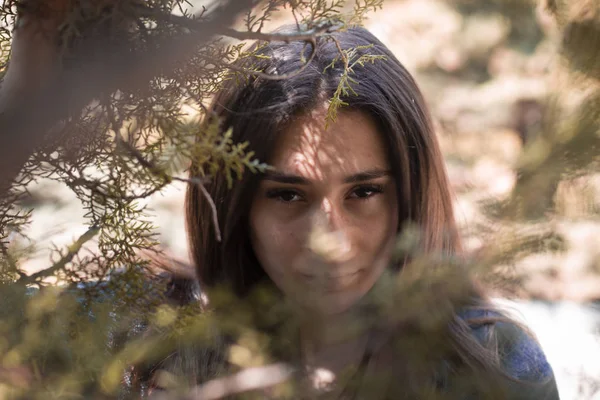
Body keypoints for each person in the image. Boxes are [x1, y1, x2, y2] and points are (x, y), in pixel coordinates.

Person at [141, 26, 560, 399]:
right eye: (287, 195)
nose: (331, 242)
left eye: (364, 191)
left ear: (412, 193)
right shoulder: (145, 348)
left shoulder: (499, 368)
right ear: (233, 204)